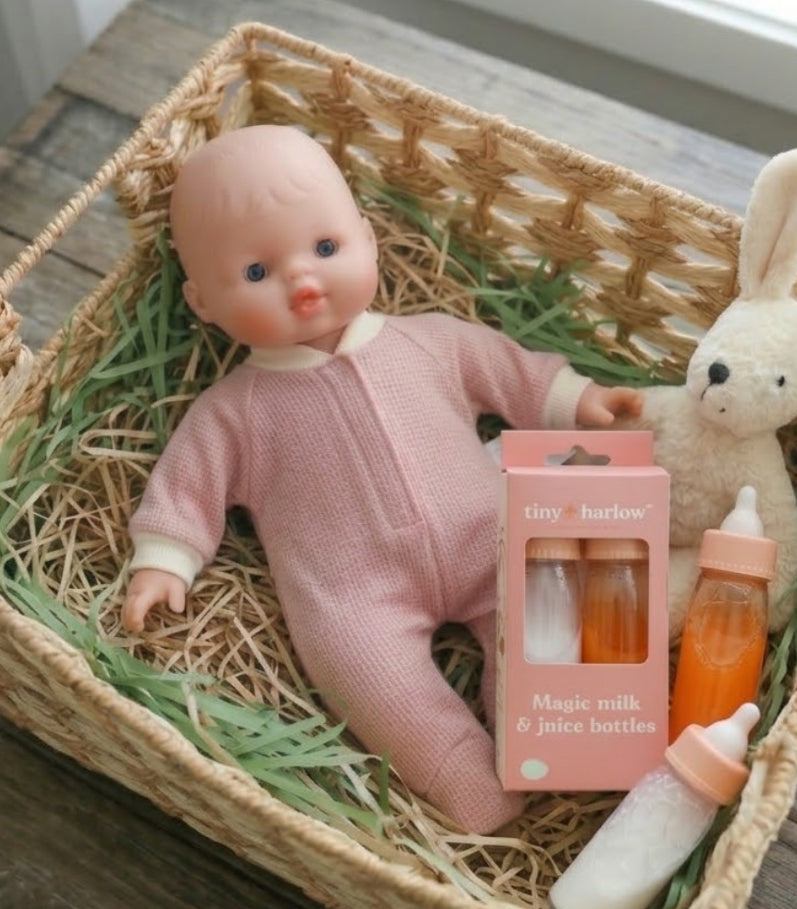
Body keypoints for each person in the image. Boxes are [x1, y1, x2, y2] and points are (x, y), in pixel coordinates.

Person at [121, 125, 642, 833]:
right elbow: (188, 484)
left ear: (366, 240)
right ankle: (457, 767)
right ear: (202, 303)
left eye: (326, 249)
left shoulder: (428, 340)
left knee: (547, 602)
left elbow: (508, 369)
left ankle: (555, 733)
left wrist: (576, 401)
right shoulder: (235, 412)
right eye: (255, 274)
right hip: (353, 593)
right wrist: (164, 560)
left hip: (489, 538)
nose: (303, 282)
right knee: (367, 679)